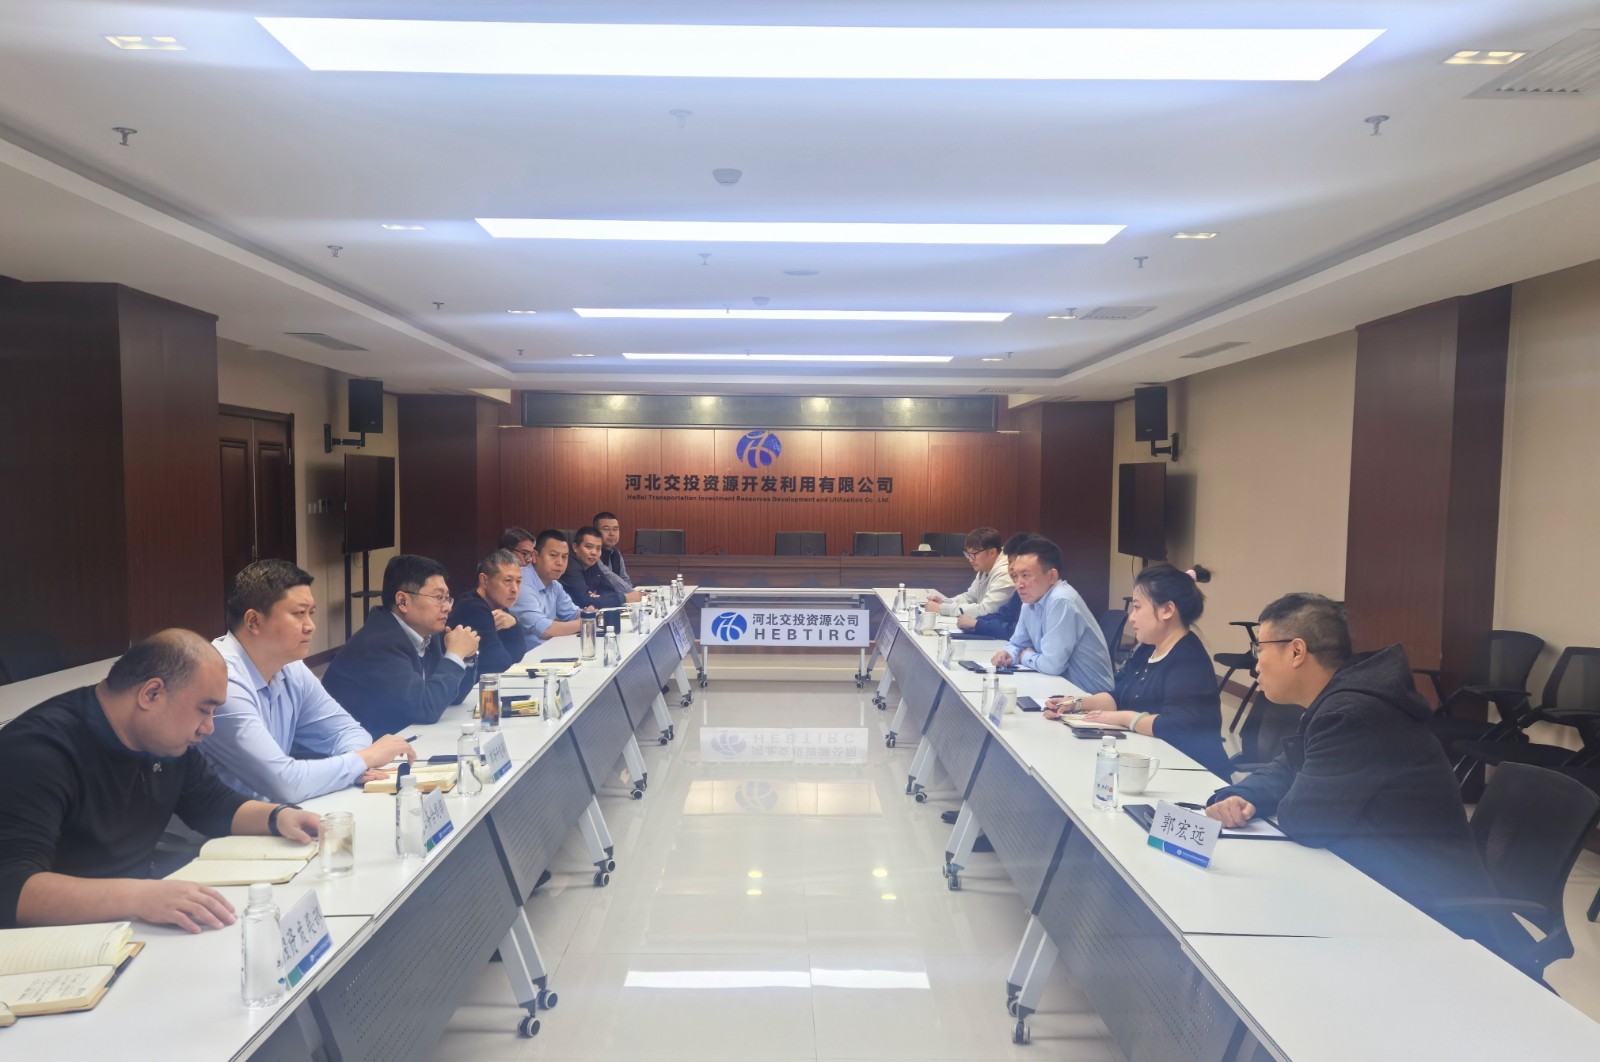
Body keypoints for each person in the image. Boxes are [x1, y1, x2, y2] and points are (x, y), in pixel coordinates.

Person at [1203, 594, 1503, 933]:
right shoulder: (1338, 702)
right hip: (1376, 880)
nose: (1255, 664)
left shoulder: (1351, 715)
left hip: (1425, 911)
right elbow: (1287, 769)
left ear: (1297, 651)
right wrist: (1242, 796)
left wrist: (1279, 796)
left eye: (1259, 648)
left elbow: (1305, 822)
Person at [0, 630, 323, 931]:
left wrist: (279, 817)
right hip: (59, 938)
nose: (208, 728)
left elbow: (213, 804)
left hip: (131, 921)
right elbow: (11, 888)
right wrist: (140, 897)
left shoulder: (163, 741)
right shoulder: (35, 751)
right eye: (203, 710)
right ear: (151, 693)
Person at [203, 560, 416, 803]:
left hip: (276, 814)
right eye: (298, 614)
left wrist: (357, 765)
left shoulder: (290, 667)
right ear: (254, 622)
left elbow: (347, 731)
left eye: (310, 613)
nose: (311, 626)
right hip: (225, 825)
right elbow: (284, 783)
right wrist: (363, 759)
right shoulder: (222, 680)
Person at [1044, 563, 1230, 778]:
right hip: (1150, 761)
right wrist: (1075, 704)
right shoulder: (1149, 647)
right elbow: (1119, 695)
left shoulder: (1189, 660)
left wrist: (1123, 718)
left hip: (1192, 773)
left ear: (1167, 610)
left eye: (1138, 607)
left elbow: (1174, 725)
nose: (1132, 617)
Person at [322, 554, 480, 736]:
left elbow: (452, 697)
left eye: (447, 598)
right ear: (402, 601)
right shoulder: (379, 644)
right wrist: (454, 656)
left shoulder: (427, 635)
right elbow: (425, 709)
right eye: (439, 597)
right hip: (355, 748)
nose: (447, 607)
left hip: (397, 738)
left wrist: (465, 657)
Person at [991, 536, 1114, 694]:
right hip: (1058, 688)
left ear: (1052, 577)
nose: (1019, 585)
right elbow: (1017, 644)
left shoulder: (1061, 600)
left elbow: (1052, 665)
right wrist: (1008, 654)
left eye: (1026, 575)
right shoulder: (1029, 601)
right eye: (1016, 576)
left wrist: (1025, 656)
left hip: (1089, 695)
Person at [448, 548, 530, 700]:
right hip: (465, 696)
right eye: (507, 581)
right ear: (484, 580)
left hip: (483, 690)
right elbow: (499, 664)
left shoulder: (498, 604)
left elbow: (518, 655)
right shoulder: (472, 607)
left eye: (518, 581)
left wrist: (514, 624)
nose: (515, 589)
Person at [511, 529, 585, 644]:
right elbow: (544, 630)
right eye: (553, 555)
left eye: (564, 557)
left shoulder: (554, 585)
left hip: (549, 650)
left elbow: (574, 614)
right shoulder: (520, 582)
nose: (560, 562)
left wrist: (589, 615)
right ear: (535, 556)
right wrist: (586, 622)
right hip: (526, 654)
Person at [955, 532, 1031, 638]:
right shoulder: (1021, 590)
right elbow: (1002, 615)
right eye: (1009, 562)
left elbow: (1014, 631)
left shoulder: (1051, 599)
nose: (1011, 567)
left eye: (974, 554)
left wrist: (976, 624)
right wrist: (976, 622)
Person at [927, 527, 1015, 618]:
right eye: (968, 554)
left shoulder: (1005, 572)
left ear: (992, 552)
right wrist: (944, 602)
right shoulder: (985, 568)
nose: (970, 559)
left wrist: (942, 609)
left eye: (974, 554)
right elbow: (969, 597)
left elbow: (986, 610)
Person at [560, 526, 627, 614]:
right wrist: (623, 598)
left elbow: (610, 590)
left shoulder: (591, 562)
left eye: (598, 548)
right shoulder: (569, 565)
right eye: (589, 547)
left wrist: (594, 598)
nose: (594, 553)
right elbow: (584, 601)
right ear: (575, 547)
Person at [593, 511, 643, 601]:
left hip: (613, 599)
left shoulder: (615, 552)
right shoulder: (593, 552)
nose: (612, 533)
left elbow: (624, 578)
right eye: (606, 529)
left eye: (615, 529)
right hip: (597, 601)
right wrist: (632, 593)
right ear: (595, 532)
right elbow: (608, 575)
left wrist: (632, 594)